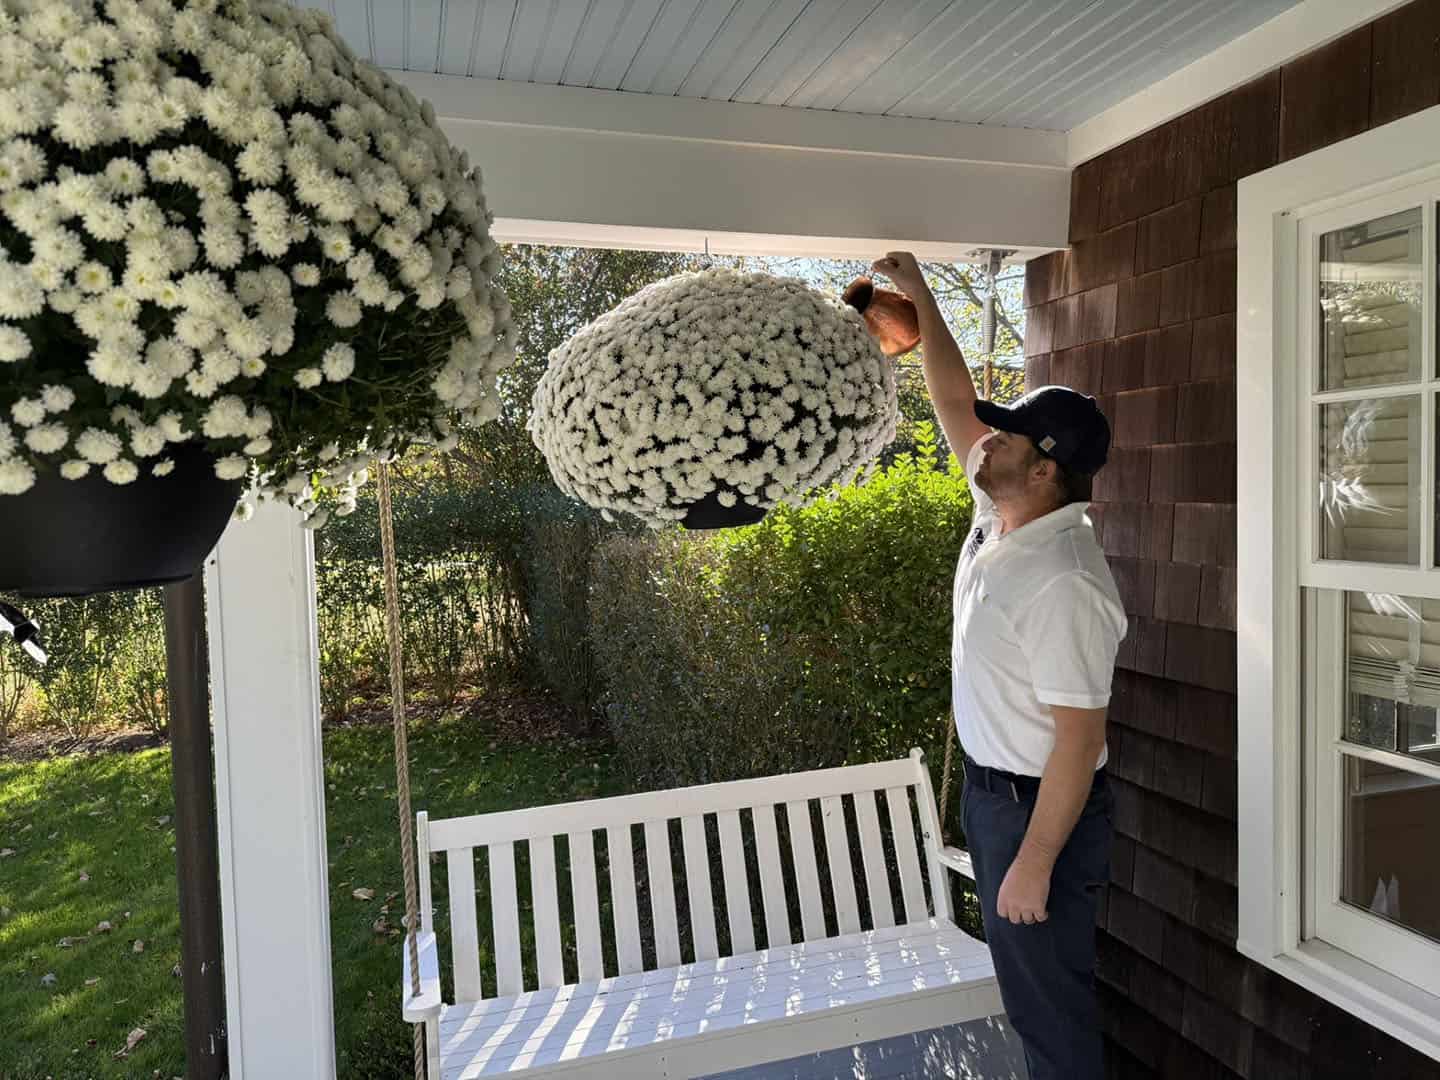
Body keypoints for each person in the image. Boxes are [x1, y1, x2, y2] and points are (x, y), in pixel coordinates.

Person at [871, 251, 1126, 1080]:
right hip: (996, 800)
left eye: (1004, 435)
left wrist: (1035, 859)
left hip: (1036, 815)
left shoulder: (1065, 582)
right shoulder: (1005, 508)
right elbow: (951, 397)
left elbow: (1079, 741)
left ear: (1045, 467)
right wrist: (920, 298)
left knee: (1048, 1011)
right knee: (1030, 999)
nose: (982, 440)